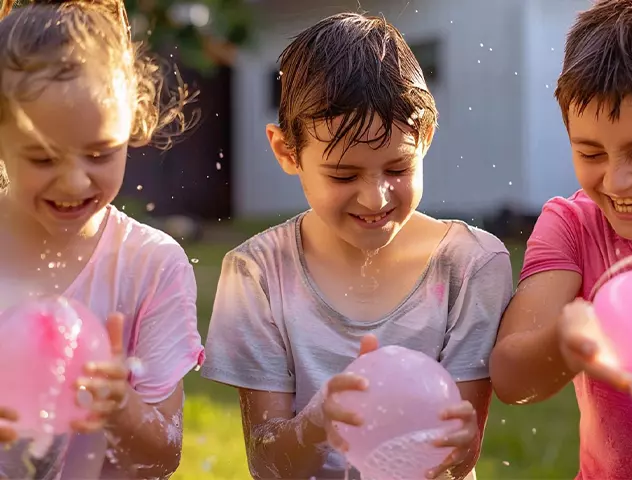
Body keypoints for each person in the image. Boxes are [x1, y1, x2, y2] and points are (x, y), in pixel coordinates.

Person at [201, 12, 513, 480]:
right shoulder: (258, 273)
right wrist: (316, 421)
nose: (376, 197)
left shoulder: (470, 266)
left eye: (398, 168)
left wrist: (456, 441)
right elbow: (269, 464)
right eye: (344, 175)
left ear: (426, 138)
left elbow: (458, 459)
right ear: (288, 152)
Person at [489, 0, 632, 478]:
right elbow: (511, 378)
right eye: (590, 152)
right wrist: (563, 343)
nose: (616, 182)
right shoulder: (572, 226)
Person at [0, 0, 203, 478]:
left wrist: (120, 407)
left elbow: (163, 454)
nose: (74, 182)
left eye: (99, 153)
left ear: (132, 123)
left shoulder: (150, 265)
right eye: (44, 158)